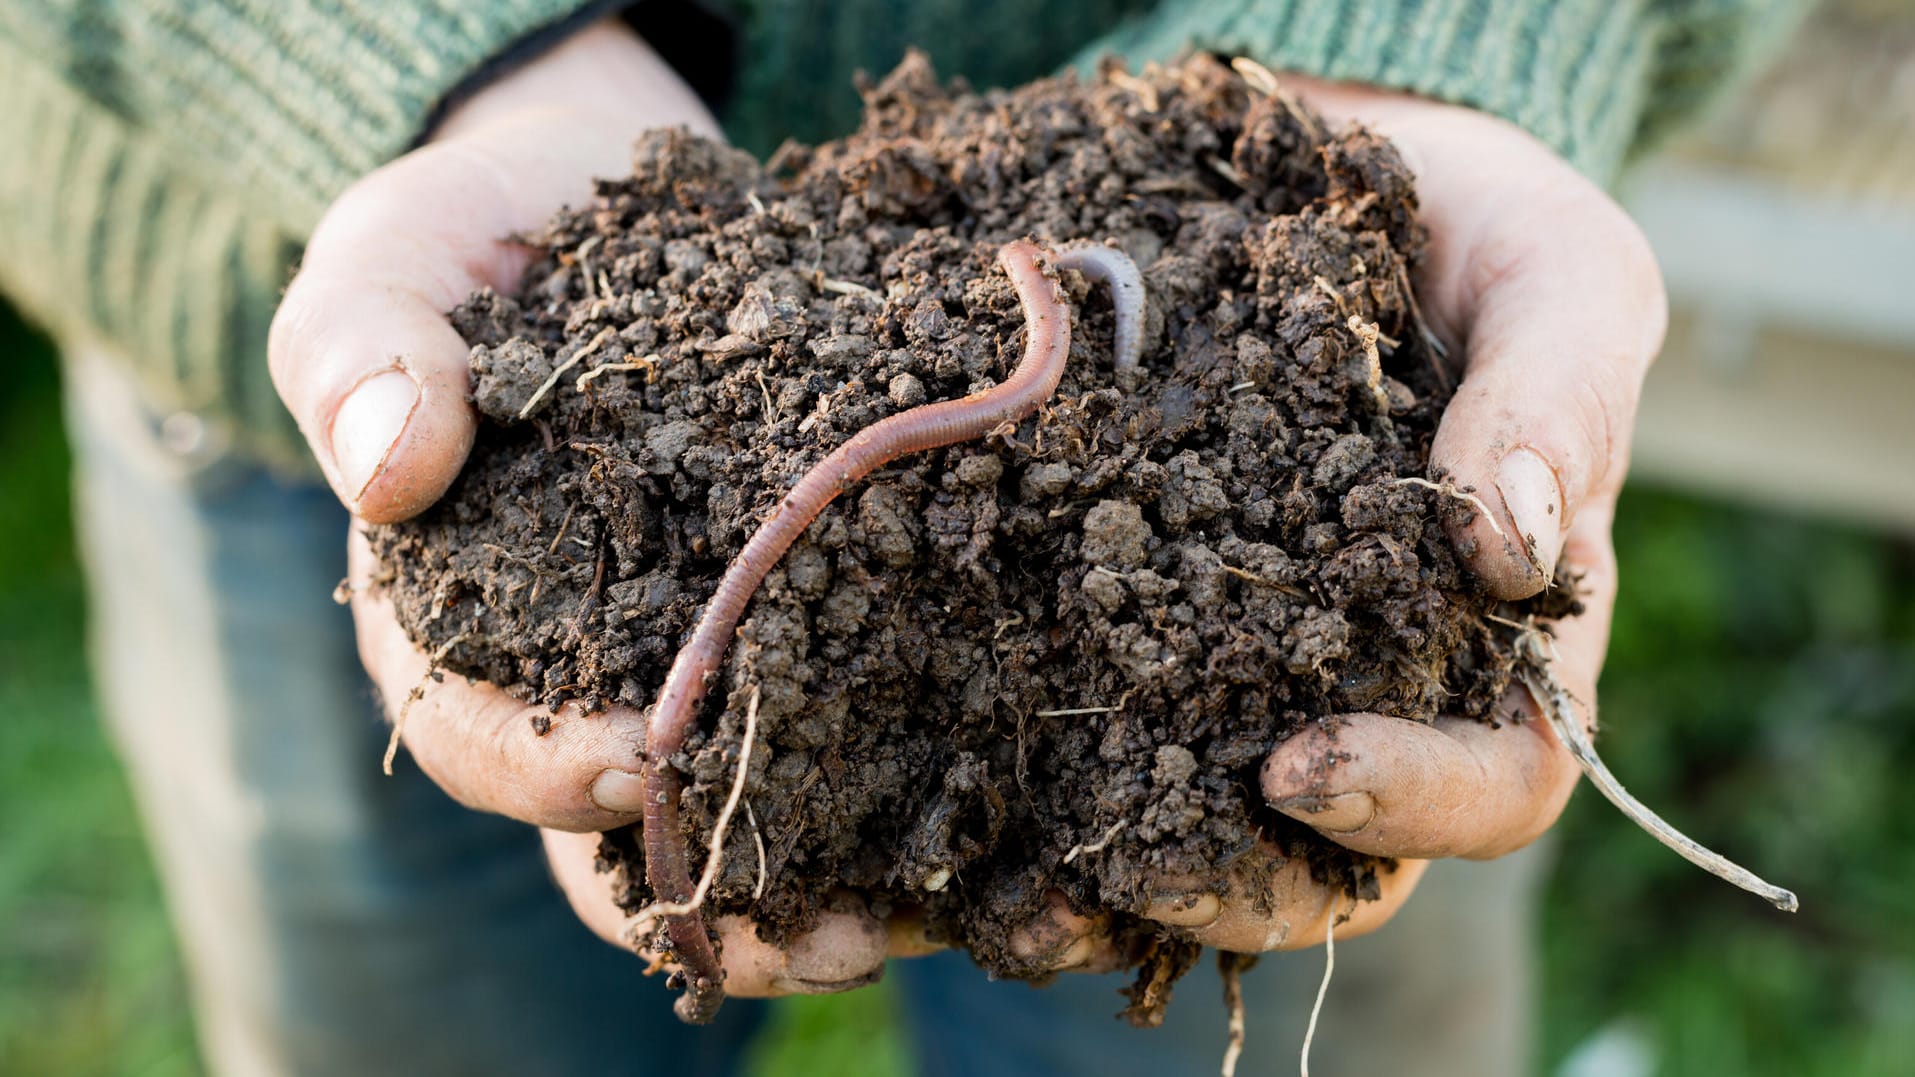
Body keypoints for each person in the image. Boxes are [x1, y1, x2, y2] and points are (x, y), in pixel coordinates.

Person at [0, 1, 1806, 1073]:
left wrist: (1433, 56)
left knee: (1270, 812)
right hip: (392, 343)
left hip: (1291, 510)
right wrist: (435, 57)